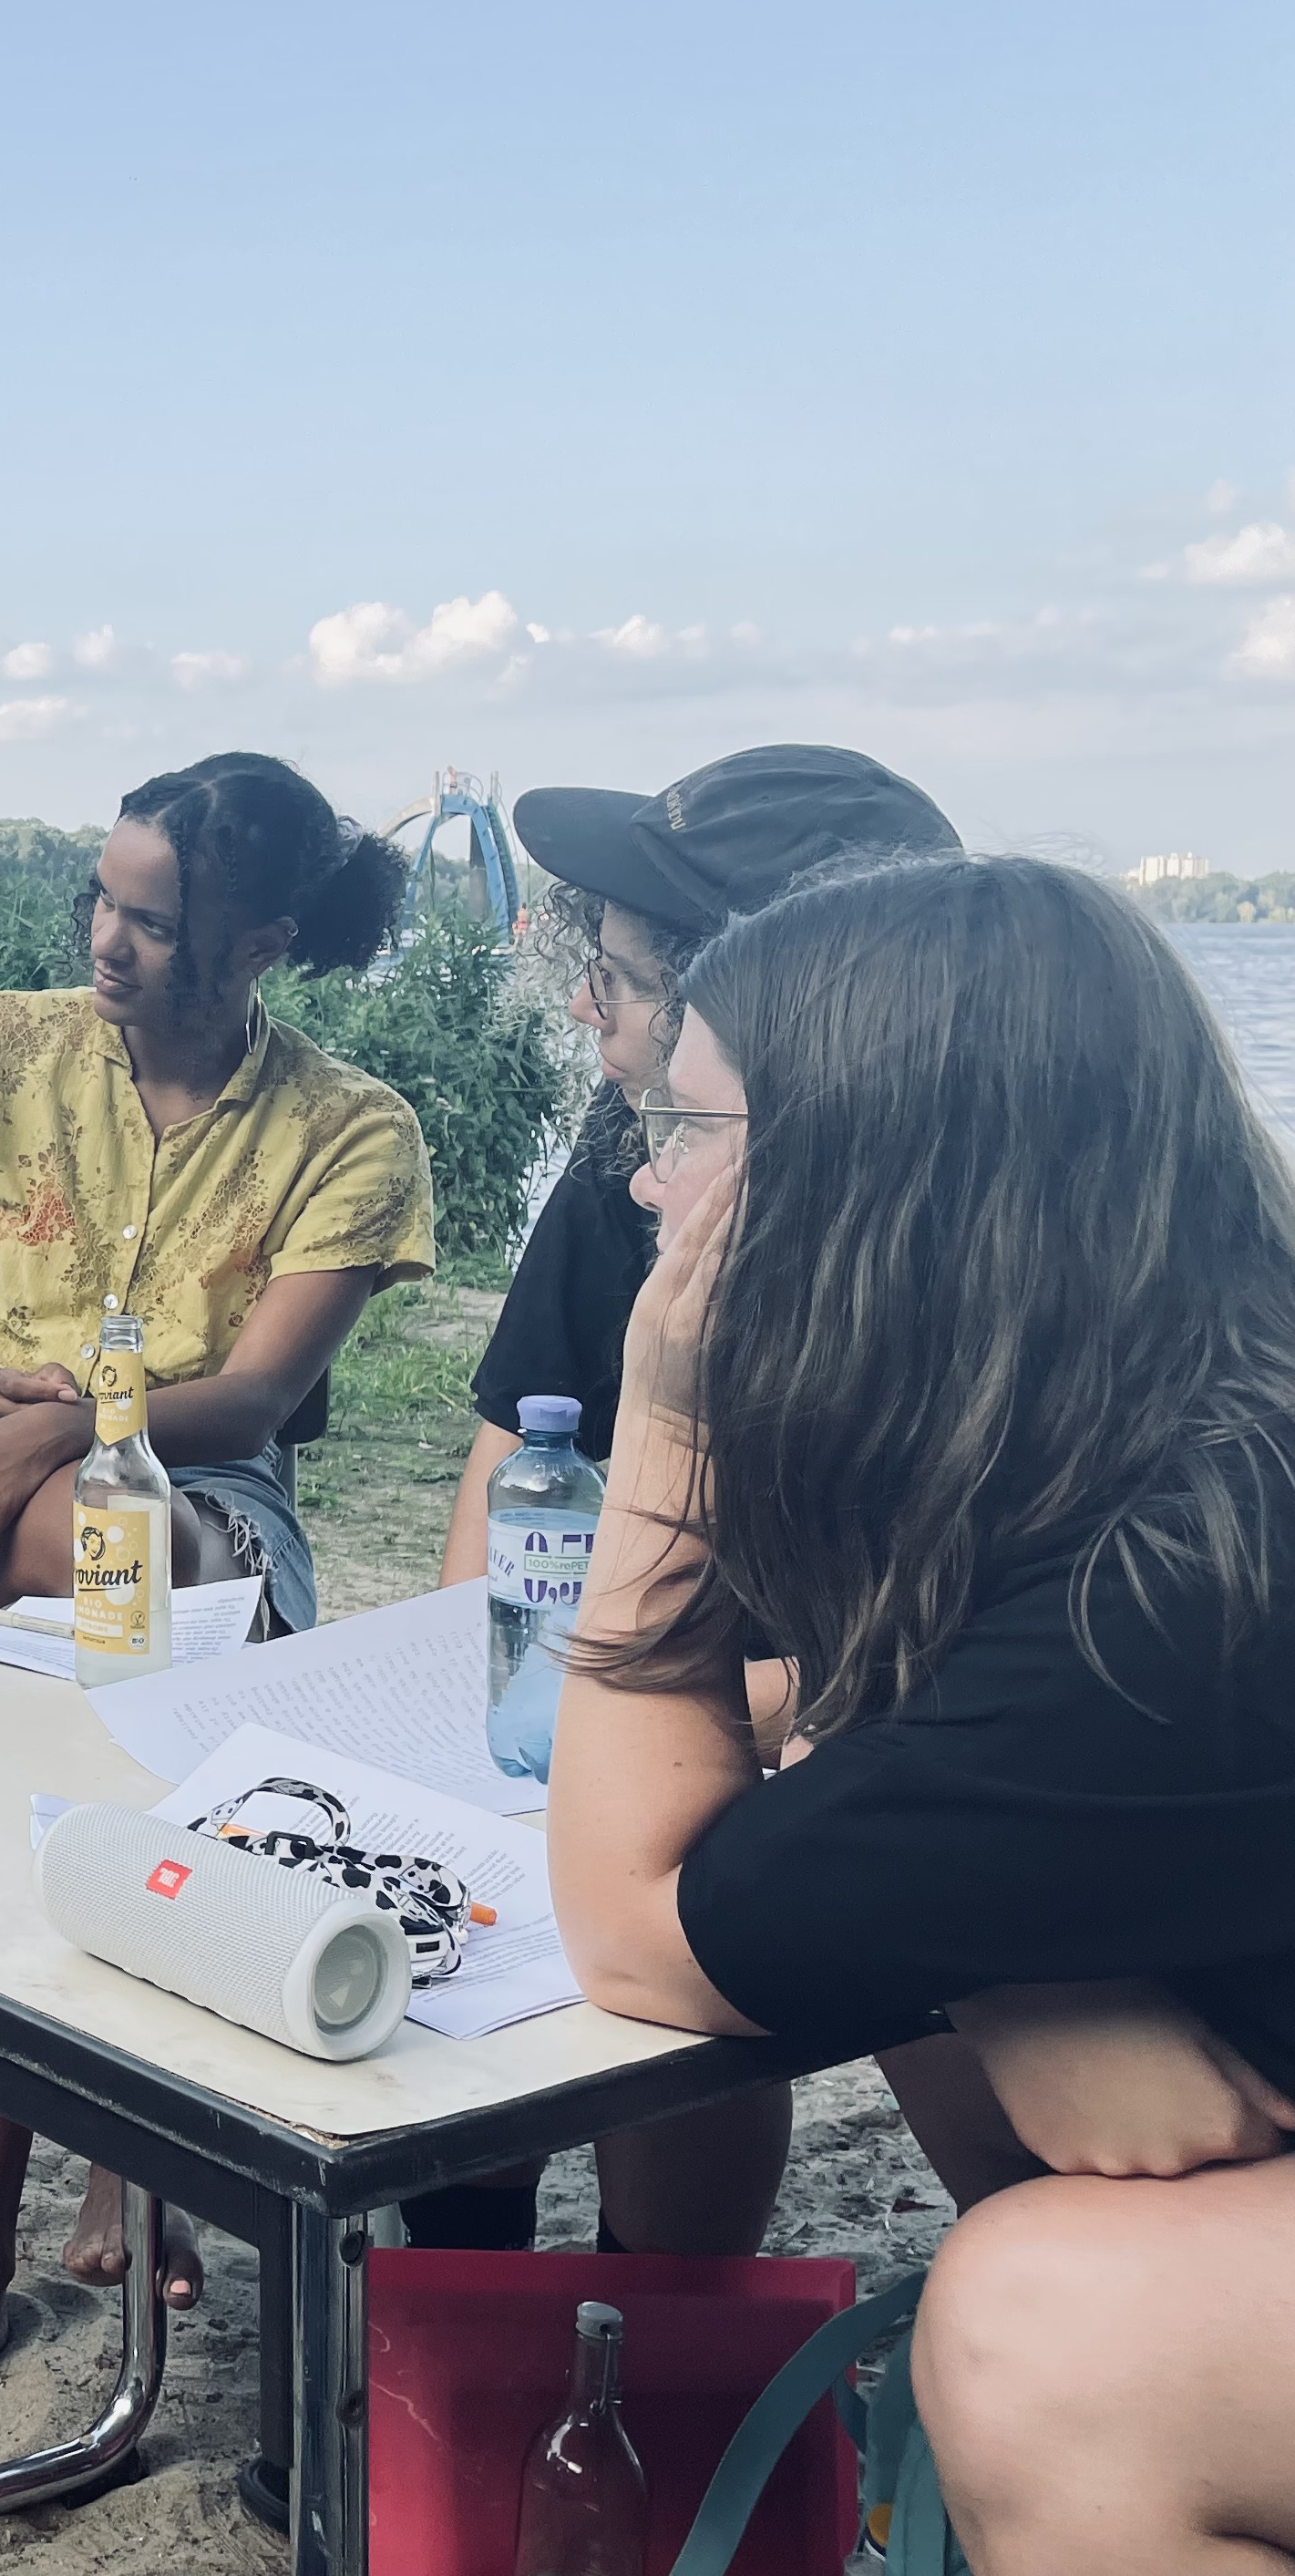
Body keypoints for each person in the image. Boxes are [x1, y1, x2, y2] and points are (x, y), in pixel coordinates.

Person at [550, 852, 1295, 2572]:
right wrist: (1023, 1972)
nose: (651, 1184)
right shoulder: (1182, 1447)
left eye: (693, 1130)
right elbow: (876, 1776)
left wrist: (664, 1430)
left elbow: (641, 1931)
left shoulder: (1163, 1605)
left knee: (1048, 2337)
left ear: (880, 1184)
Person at [0, 751, 436, 2437]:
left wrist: (70, 1425)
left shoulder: (349, 1128)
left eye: (154, 921)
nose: (106, 942)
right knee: (22, 1602)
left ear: (263, 942)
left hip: (206, 1523)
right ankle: (116, 2146)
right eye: (101, 899)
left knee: (86, 1569)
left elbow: (259, 1399)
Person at [410, 743, 972, 2258]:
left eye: (630, 973)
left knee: (739, 1891)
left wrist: (673, 1704)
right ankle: (466, 2272)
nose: (587, 1004)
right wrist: (496, 1685)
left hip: (836, 1719)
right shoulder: (631, 1170)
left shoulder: (970, 1267)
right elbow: (507, 1460)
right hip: (668, 1667)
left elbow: (960, 1670)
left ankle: (666, 2303)